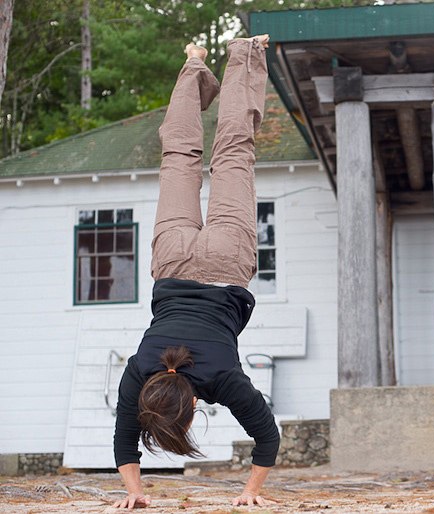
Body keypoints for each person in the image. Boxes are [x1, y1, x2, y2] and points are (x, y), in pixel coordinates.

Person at [111, 35, 279, 509]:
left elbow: (267, 437)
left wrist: (249, 494)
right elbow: (123, 441)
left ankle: (245, 54)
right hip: (174, 258)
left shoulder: (223, 378)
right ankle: (194, 66)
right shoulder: (140, 374)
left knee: (234, 152)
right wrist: (133, 492)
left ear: (190, 414)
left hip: (226, 262)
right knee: (178, 159)